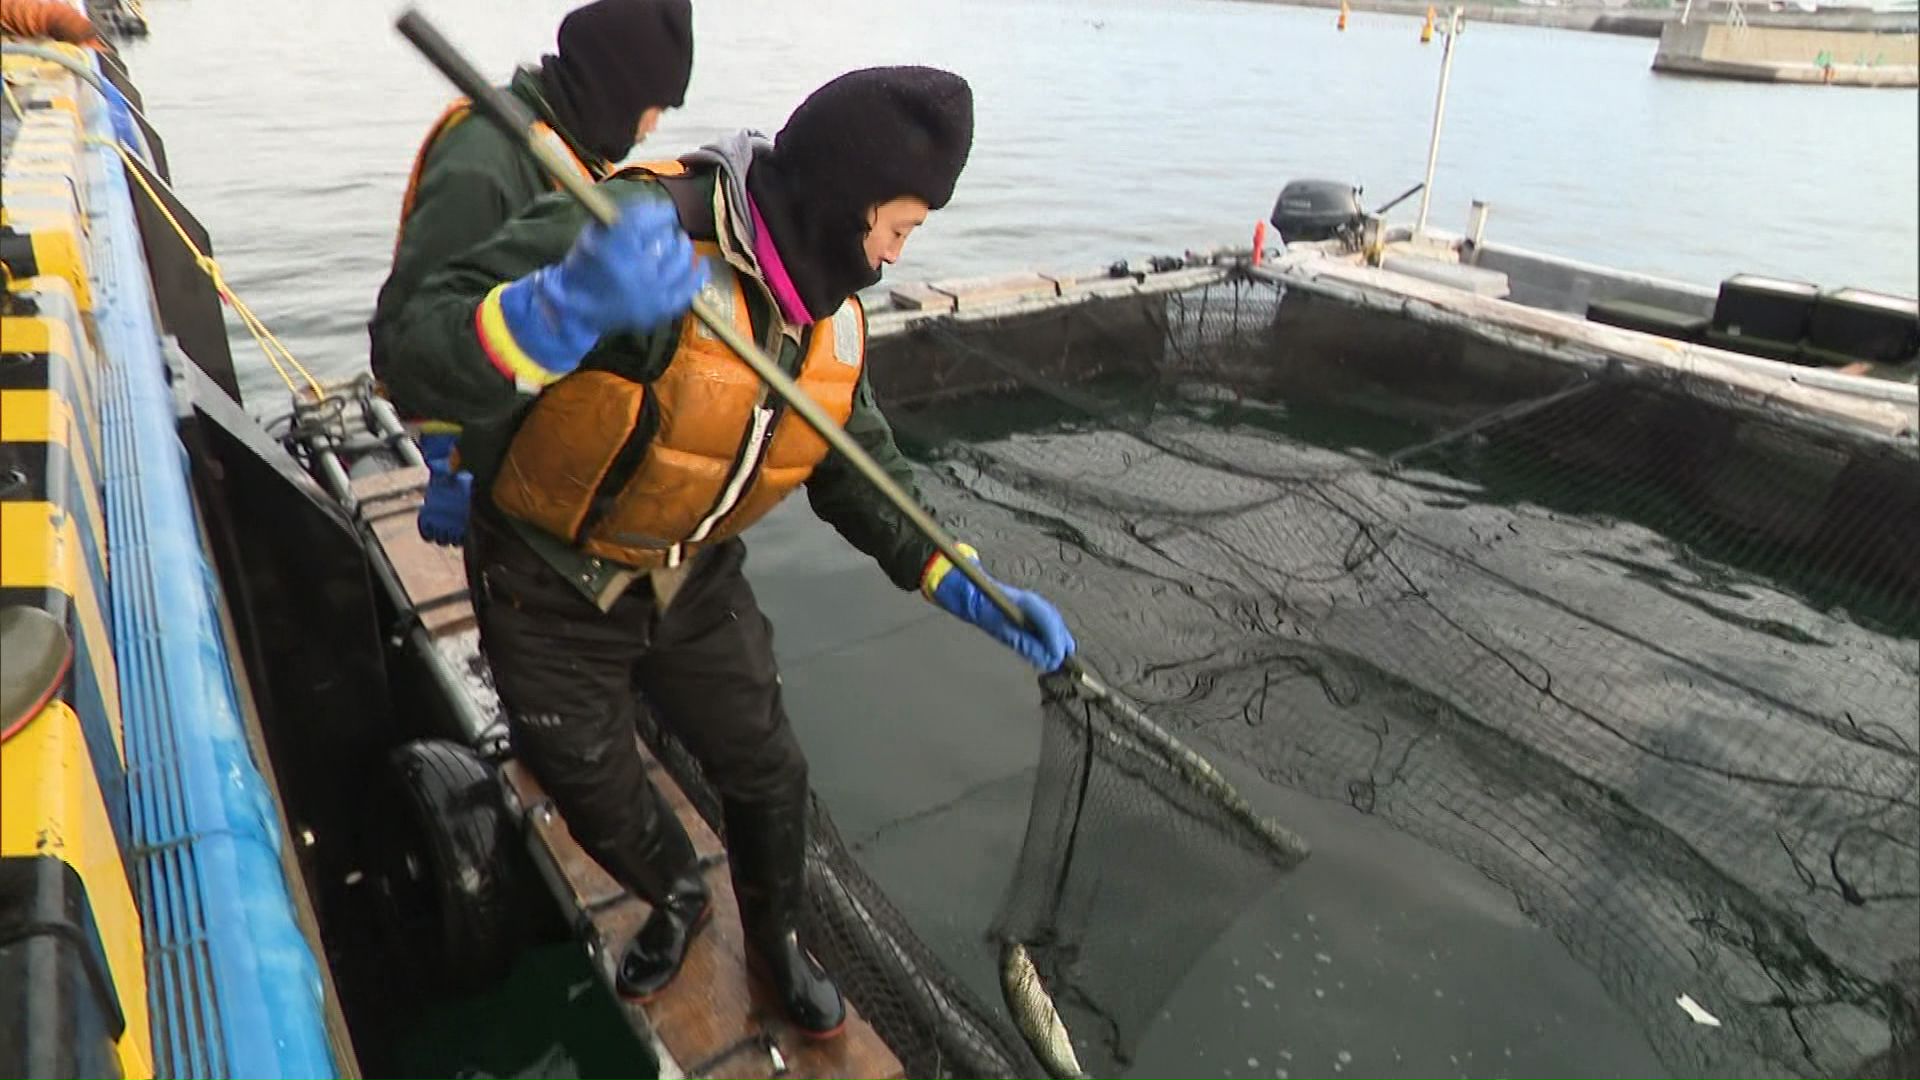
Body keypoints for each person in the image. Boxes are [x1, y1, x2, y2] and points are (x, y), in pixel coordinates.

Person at [379, 66, 1077, 1037]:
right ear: (847, 202)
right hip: (551, 572)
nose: (893, 254)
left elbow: (854, 460)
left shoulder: (830, 314)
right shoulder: (640, 231)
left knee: (769, 770)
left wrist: (950, 572)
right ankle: (674, 893)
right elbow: (411, 342)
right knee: (588, 780)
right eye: (900, 227)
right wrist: (559, 308)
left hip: (691, 573)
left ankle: (777, 938)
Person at [365, 0, 694, 545]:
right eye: (654, 106)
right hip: (475, 431)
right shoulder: (484, 159)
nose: (653, 126)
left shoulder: (572, 153)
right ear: (616, 89)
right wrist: (447, 452)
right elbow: (419, 328)